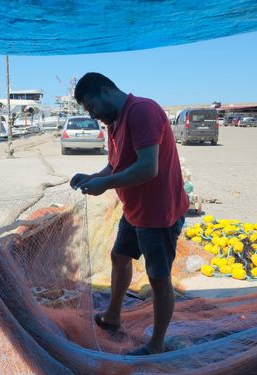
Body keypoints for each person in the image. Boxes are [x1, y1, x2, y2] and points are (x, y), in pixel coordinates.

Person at [70, 73, 188, 355]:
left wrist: (104, 185)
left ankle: (156, 345)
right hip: (135, 209)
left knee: (158, 278)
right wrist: (92, 177)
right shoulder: (115, 123)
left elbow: (148, 168)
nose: (93, 115)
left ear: (105, 91)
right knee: (119, 257)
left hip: (159, 212)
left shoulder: (142, 111)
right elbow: (115, 166)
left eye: (91, 107)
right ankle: (113, 316)